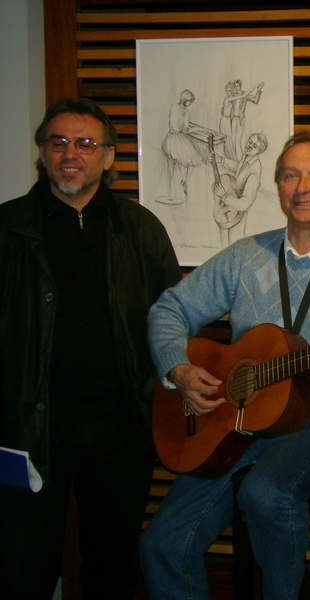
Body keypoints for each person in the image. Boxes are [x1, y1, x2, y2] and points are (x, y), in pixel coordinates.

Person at [139, 133, 310, 600]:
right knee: (161, 545)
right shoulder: (246, 256)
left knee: (265, 494)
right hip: (235, 419)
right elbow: (168, 310)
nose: (302, 186)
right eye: (290, 175)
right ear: (278, 186)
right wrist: (178, 369)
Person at [0, 98, 181, 599]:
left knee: (113, 564)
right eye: (57, 142)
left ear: (108, 157)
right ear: (42, 153)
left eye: (85, 143)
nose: (70, 153)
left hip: (121, 427)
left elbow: (174, 315)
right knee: (23, 567)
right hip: (30, 429)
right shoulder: (9, 228)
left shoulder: (140, 228)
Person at [209, 132, 268, 247]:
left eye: (254, 146)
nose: (249, 146)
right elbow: (238, 169)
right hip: (229, 208)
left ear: (259, 151)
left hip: (236, 216)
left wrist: (224, 196)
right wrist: (220, 159)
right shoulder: (247, 159)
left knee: (234, 247)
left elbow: (245, 203)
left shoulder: (254, 173)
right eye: (250, 142)